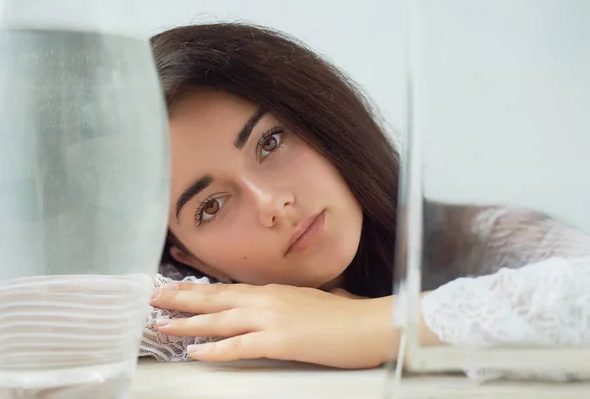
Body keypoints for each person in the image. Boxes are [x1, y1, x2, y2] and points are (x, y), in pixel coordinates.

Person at [141, 23, 590, 380]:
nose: (272, 203)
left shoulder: (477, 238)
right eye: (211, 206)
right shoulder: (186, 303)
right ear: (188, 256)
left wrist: (374, 324)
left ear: (322, 121)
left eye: (271, 141)